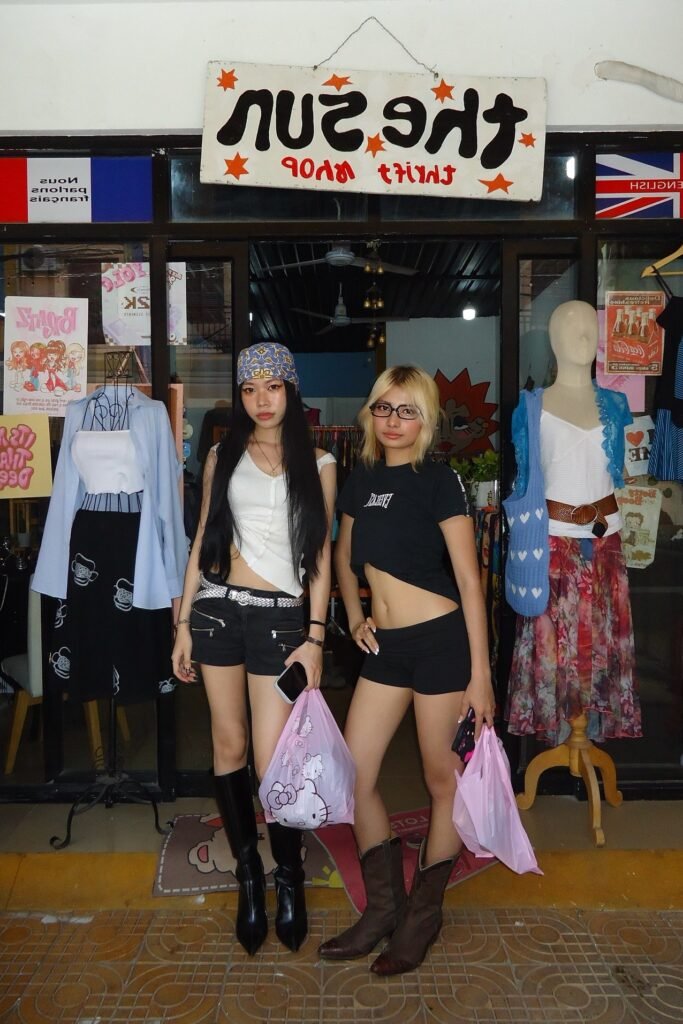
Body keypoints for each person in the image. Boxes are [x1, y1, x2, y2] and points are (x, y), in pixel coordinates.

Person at [318, 364, 495, 976]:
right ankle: (383, 909)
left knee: (439, 780)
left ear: (426, 419)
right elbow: (342, 558)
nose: (394, 421)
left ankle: (423, 914)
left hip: (442, 643)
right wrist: (354, 615)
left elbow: (471, 584)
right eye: (385, 409)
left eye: (408, 410)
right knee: (353, 774)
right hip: (385, 647)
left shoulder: (439, 480)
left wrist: (482, 675)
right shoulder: (360, 478)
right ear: (371, 414)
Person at [172, 342, 336, 956]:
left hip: (279, 620)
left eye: (272, 387)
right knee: (228, 743)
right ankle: (248, 874)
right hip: (217, 610)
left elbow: (317, 559)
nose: (260, 400)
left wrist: (315, 638)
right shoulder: (222, 454)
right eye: (249, 389)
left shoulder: (318, 463)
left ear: (291, 392)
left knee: (272, 761)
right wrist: (184, 622)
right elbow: (200, 541)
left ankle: (288, 875)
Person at [505, 300, 641, 745]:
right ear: (553, 338)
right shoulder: (530, 407)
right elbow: (524, 482)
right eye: (571, 325)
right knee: (552, 645)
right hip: (553, 545)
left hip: (606, 542)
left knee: (602, 641)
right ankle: (558, 732)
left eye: (589, 325)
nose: (583, 334)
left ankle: (591, 729)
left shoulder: (616, 404)